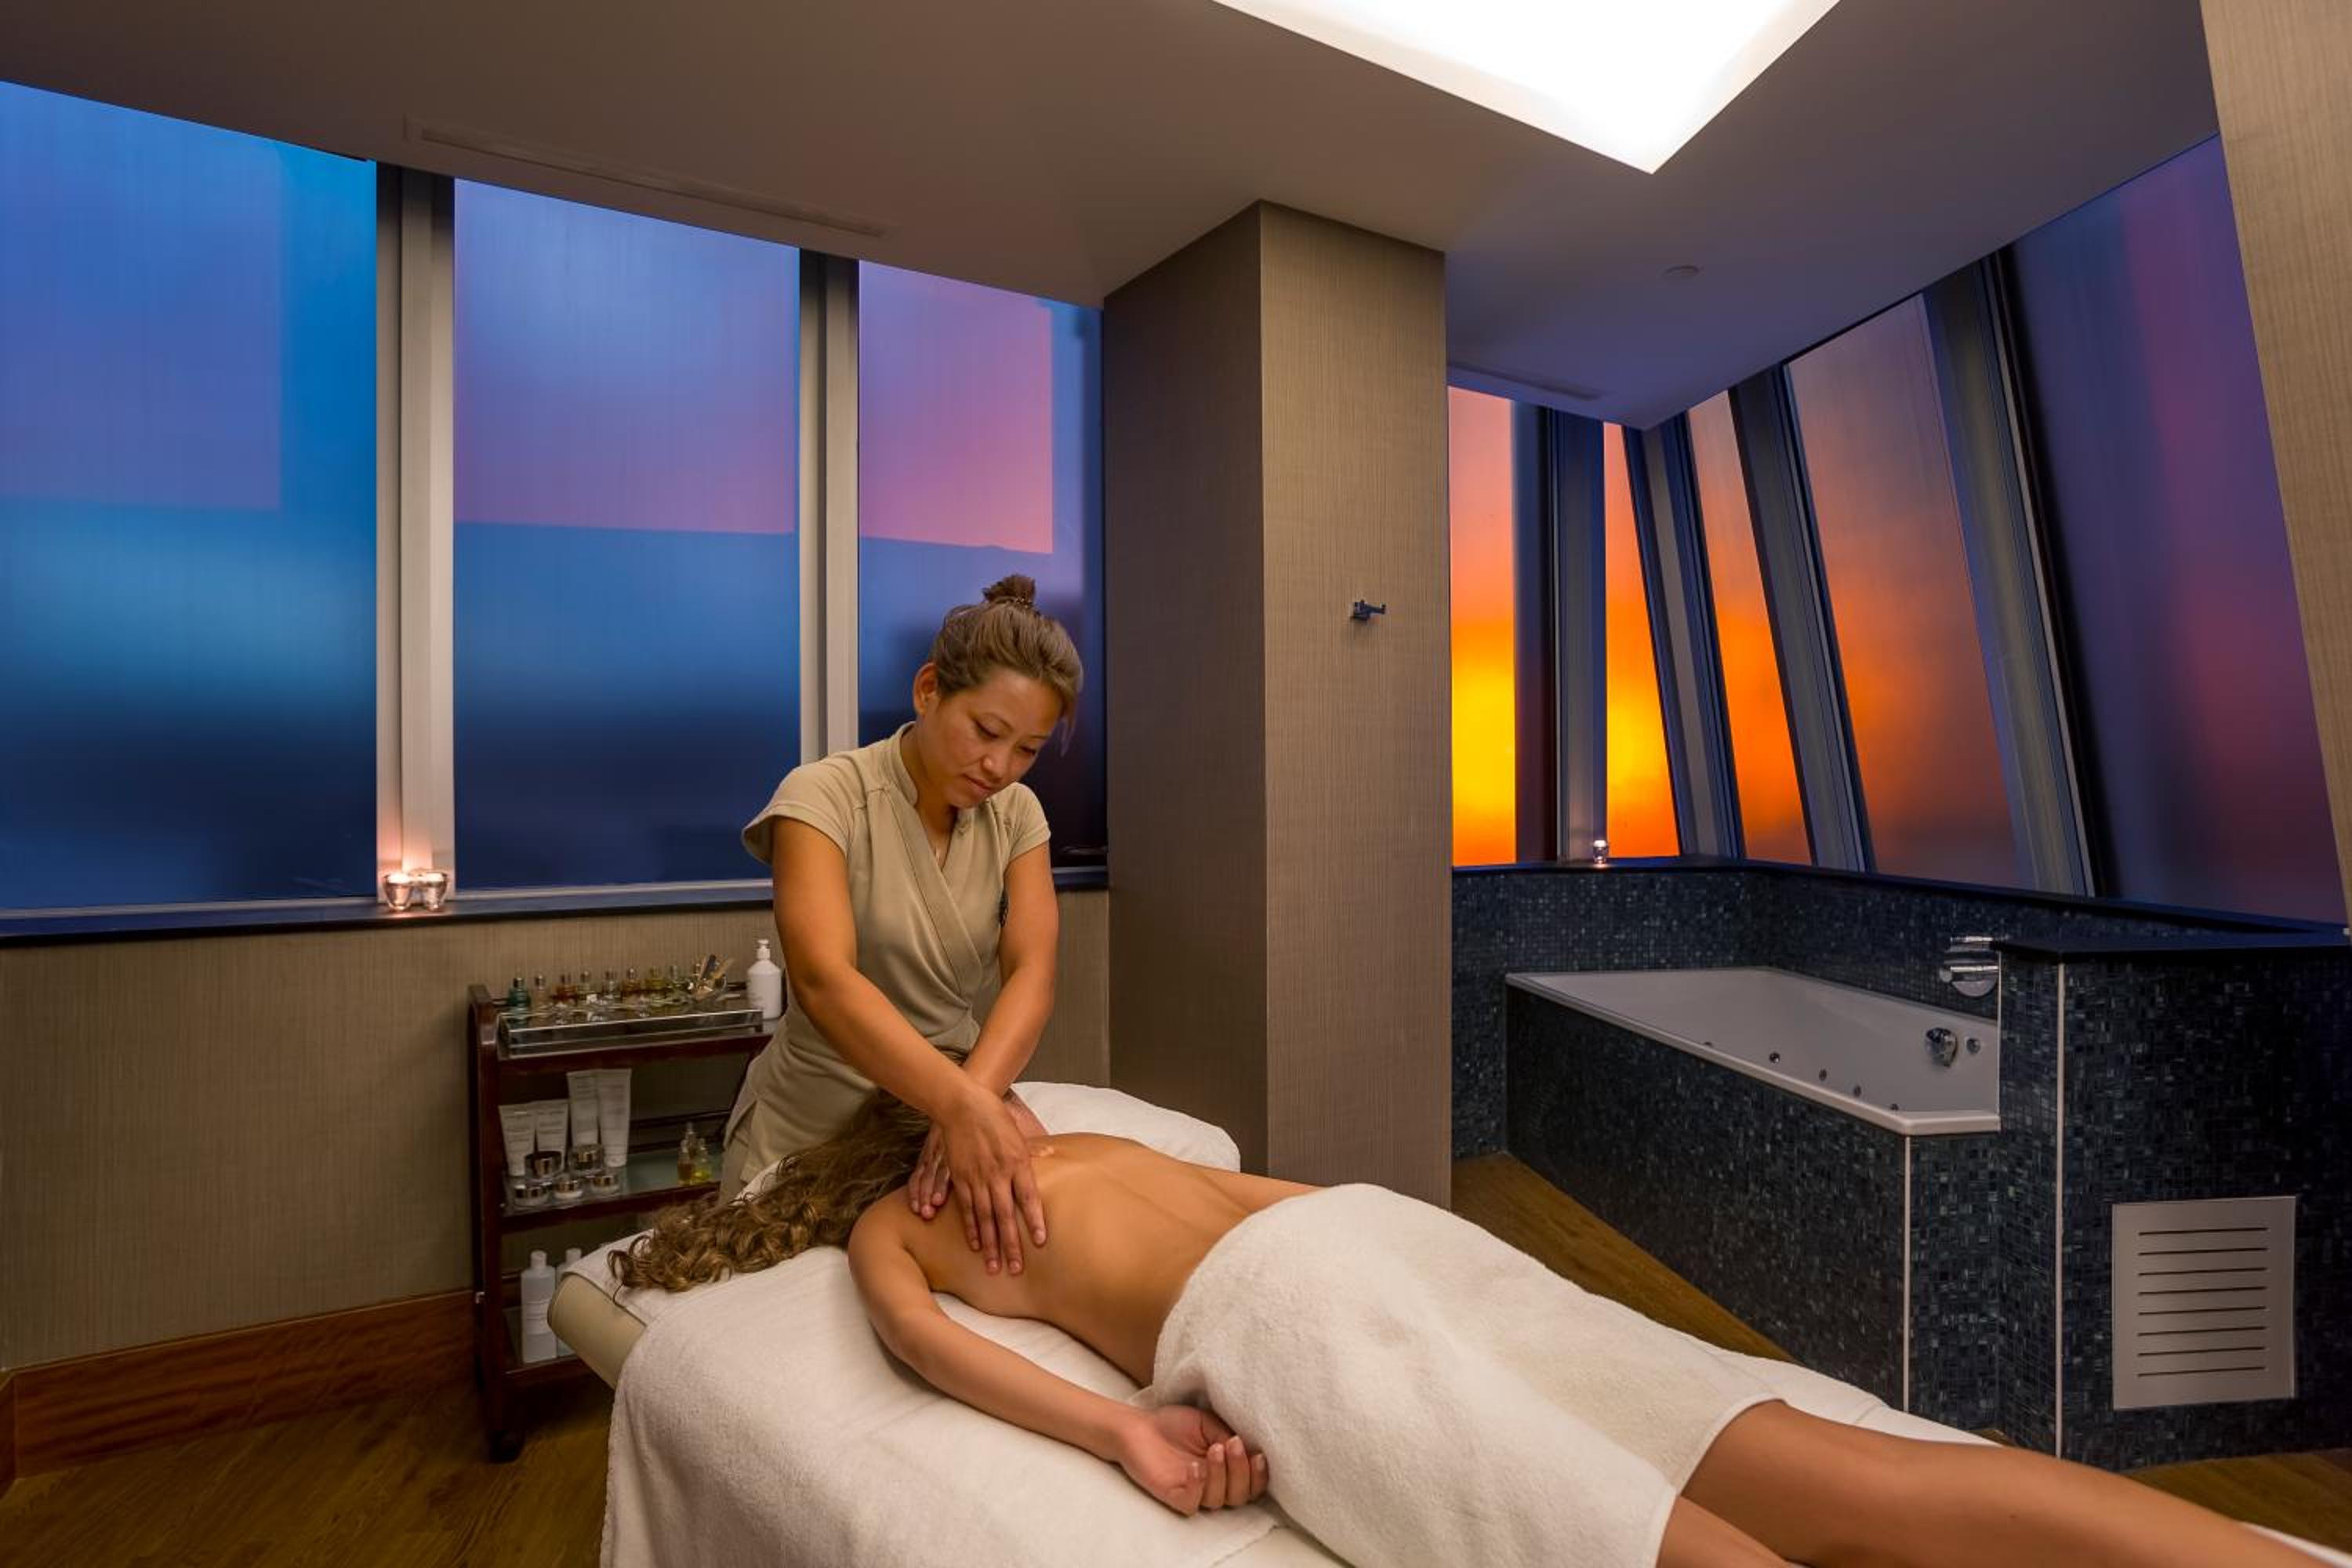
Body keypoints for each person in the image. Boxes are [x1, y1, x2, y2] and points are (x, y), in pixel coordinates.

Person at [615, 1094, 2318, 1568]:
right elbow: (1280, 1184)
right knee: (1845, 1476)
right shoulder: (1091, 1139)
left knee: (1627, 1536)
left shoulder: (886, 1225)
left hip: (1286, 1309)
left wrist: (1132, 1429)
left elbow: (931, 1352)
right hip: (1374, 1230)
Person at [722, 573, 1081, 1277]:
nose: (1000, 767)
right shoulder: (824, 797)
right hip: (813, 1123)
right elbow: (824, 981)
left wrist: (971, 1103)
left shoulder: (1017, 816)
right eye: (987, 732)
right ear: (928, 689)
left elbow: (1032, 973)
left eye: (1028, 749)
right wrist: (962, 1106)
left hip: (933, 1129)